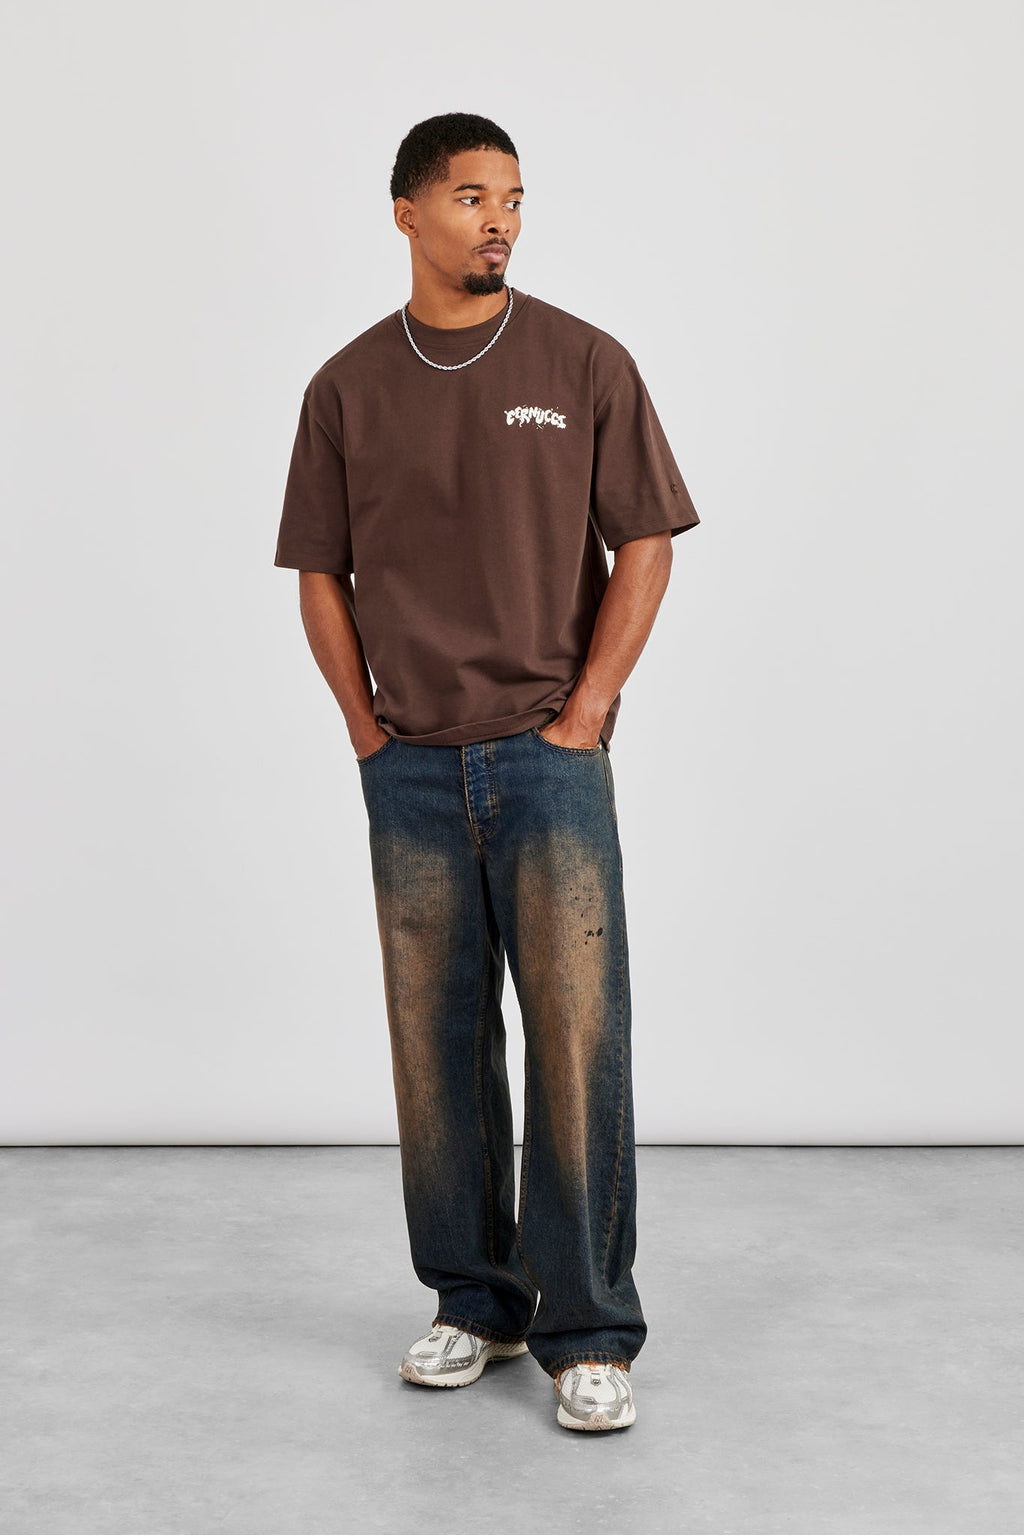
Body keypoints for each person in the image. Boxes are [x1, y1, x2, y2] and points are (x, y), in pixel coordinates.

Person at [273, 111, 700, 1432]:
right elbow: (320, 573)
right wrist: (365, 732)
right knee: (435, 1049)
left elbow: (646, 543)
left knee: (578, 1041)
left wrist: (587, 712)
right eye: (470, 196)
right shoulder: (347, 387)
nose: (499, 219)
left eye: (513, 197)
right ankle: (476, 1301)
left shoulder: (584, 361)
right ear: (407, 212)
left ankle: (590, 1328)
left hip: (548, 761)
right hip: (409, 769)